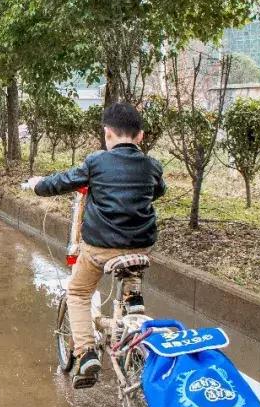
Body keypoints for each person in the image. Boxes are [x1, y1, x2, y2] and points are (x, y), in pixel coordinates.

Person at [26, 102, 166, 389]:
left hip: (101, 248)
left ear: (108, 134)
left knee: (77, 292)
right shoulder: (152, 166)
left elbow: (62, 181)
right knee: (133, 259)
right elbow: (159, 190)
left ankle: (86, 351)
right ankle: (132, 297)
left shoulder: (97, 162)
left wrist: (38, 185)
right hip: (142, 245)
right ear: (140, 136)